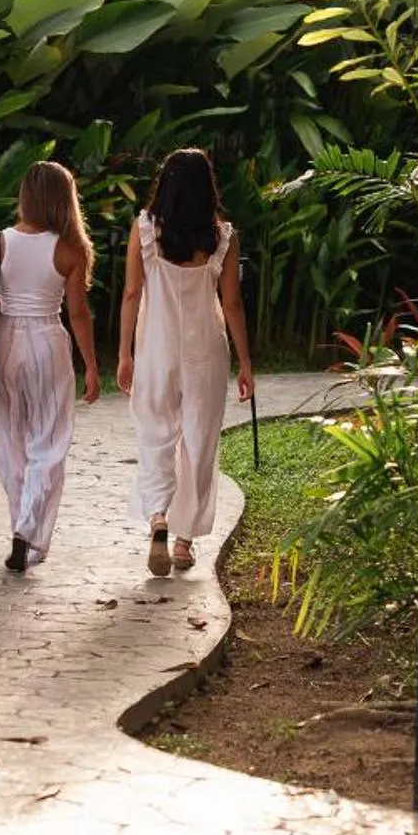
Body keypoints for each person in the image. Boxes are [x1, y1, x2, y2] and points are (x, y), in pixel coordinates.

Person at [0, 160, 100, 574]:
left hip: (5, 343)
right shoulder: (70, 247)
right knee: (49, 443)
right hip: (48, 341)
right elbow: (80, 314)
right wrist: (90, 365)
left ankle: (20, 525)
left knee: (11, 440)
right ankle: (29, 532)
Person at [117, 146, 254, 575]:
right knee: (199, 443)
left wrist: (124, 354)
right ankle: (183, 543)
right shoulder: (224, 237)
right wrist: (246, 364)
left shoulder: (144, 230)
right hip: (206, 351)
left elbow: (131, 295)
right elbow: (231, 304)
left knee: (156, 432)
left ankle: (157, 515)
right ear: (206, 188)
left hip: (156, 347)